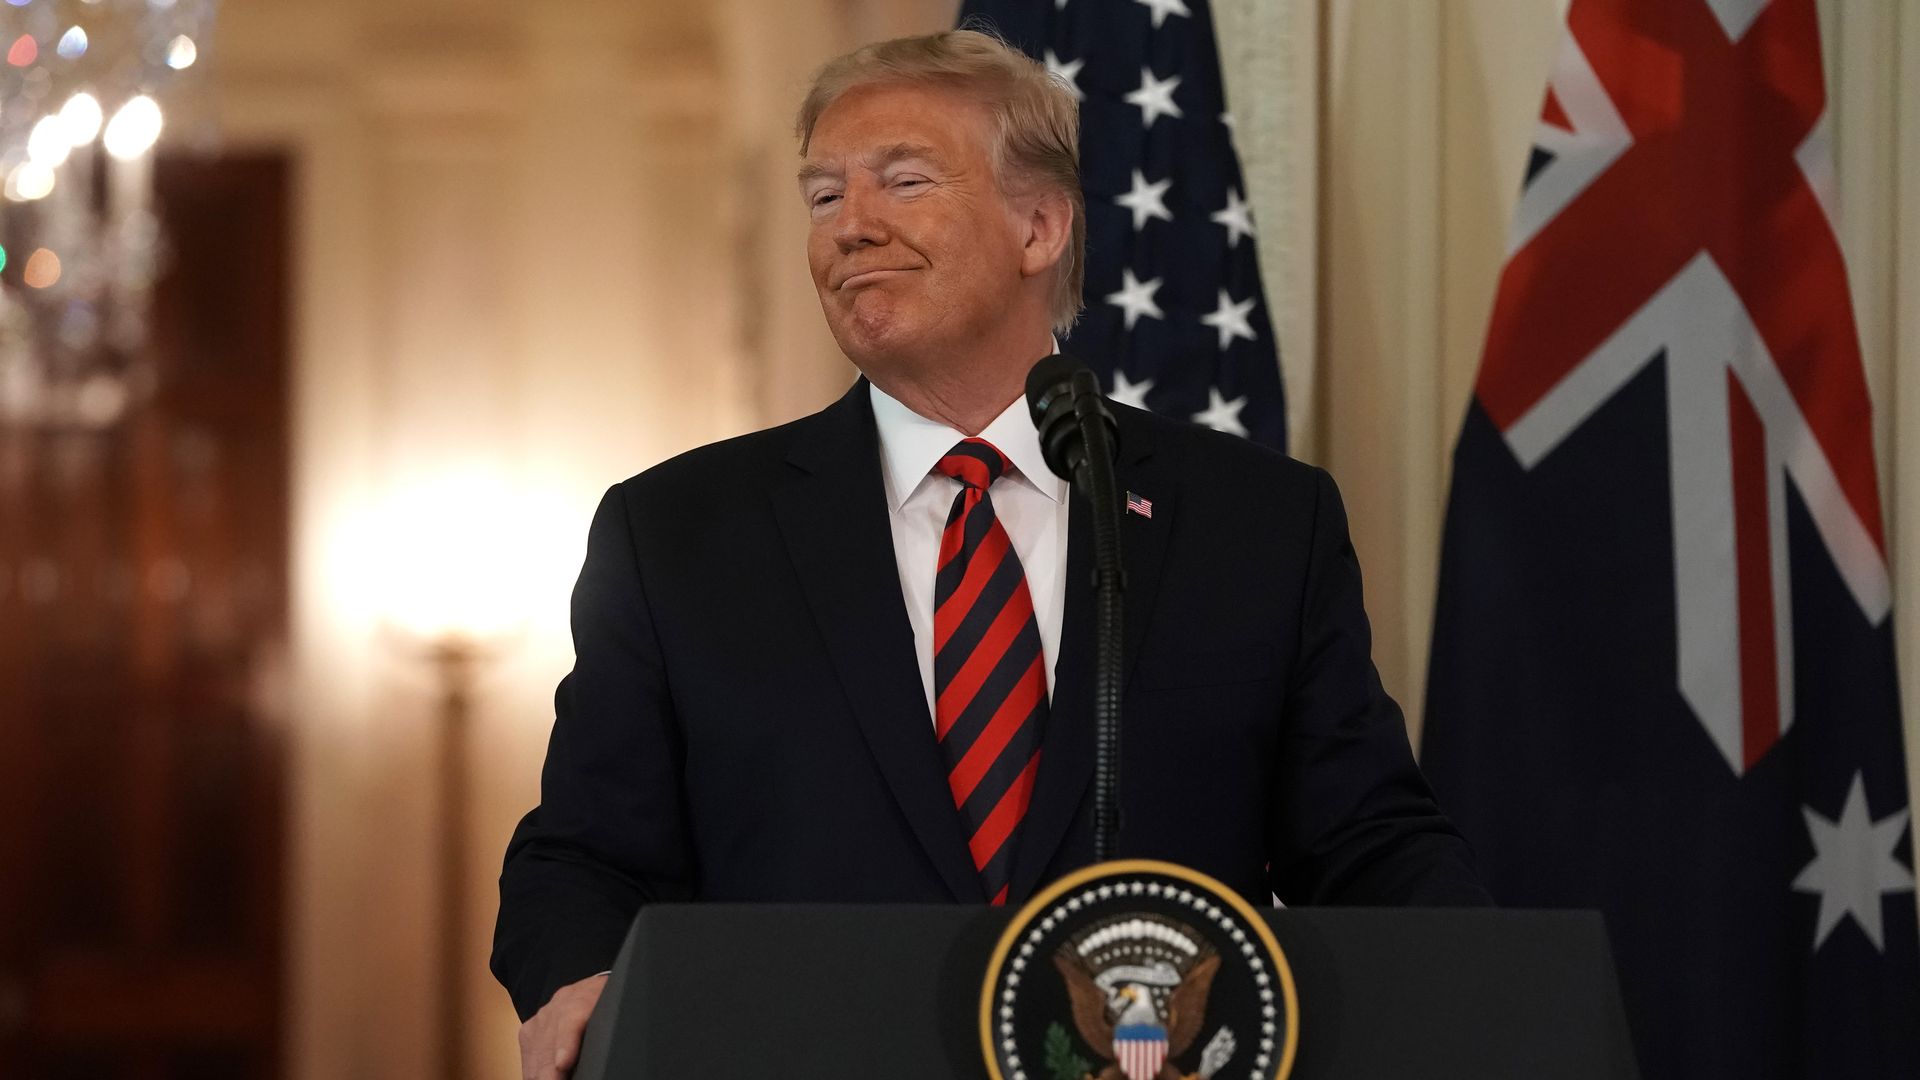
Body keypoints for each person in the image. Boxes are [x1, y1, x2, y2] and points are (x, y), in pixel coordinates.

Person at [493, 29, 1489, 1079]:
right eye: (824, 197)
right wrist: (580, 976)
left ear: (1041, 225)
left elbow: (1369, 841)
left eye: (905, 181)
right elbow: (586, 852)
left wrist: (1489, 990)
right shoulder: (681, 533)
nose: (851, 227)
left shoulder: (1255, 524)